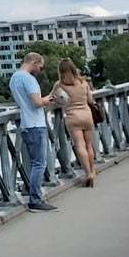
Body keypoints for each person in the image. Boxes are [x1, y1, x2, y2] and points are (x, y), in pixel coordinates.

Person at [10, 52, 59, 211]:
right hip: (35, 124)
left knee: (34, 163)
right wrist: (48, 99)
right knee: (39, 164)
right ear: (33, 61)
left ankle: (33, 197)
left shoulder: (14, 78)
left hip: (25, 123)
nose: (39, 69)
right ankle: (35, 200)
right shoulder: (28, 79)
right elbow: (37, 102)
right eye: (39, 65)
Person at [54, 58, 99, 186]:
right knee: (89, 146)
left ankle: (87, 173)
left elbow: (53, 98)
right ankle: (92, 170)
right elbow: (90, 100)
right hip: (86, 115)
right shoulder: (83, 82)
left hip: (73, 117)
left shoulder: (60, 85)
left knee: (80, 146)